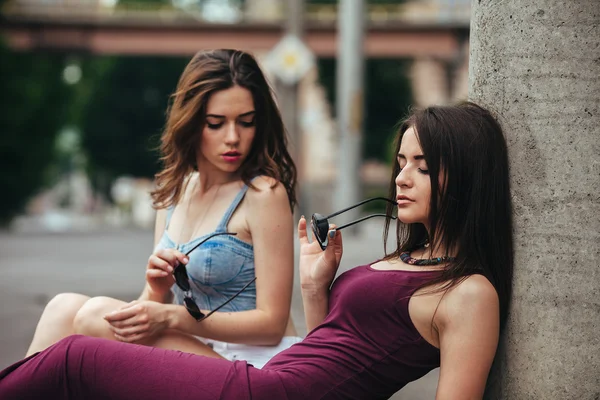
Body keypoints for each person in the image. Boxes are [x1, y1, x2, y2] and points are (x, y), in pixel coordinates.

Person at [1, 101, 513, 399]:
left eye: (422, 166)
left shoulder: (468, 291)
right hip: (274, 379)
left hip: (272, 394)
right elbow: (333, 350)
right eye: (401, 161)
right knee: (69, 323)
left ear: (466, 178)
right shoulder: (412, 258)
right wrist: (316, 285)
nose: (401, 178)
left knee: (77, 358)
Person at [24, 49, 301, 368]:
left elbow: (271, 325)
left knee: (91, 314)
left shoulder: (263, 193)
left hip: (255, 363)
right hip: (199, 350)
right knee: (62, 307)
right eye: (216, 123)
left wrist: (172, 316)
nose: (233, 138)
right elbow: (148, 312)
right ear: (192, 122)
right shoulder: (175, 191)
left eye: (246, 122)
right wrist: (157, 289)